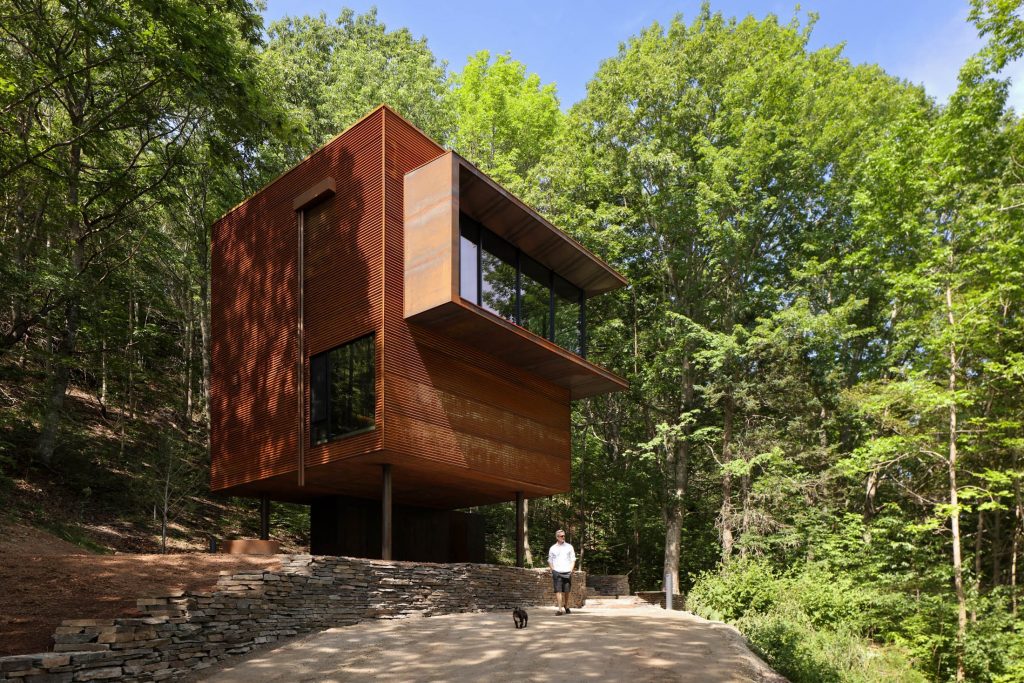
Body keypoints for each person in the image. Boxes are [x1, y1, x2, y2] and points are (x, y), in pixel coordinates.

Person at [548, 529, 576, 615]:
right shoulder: (552, 548)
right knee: (558, 590)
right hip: (557, 572)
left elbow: (573, 559)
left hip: (567, 571)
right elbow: (550, 560)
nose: (563, 537)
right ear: (557, 537)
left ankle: (566, 606)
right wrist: (553, 570)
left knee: (567, 591)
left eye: (564, 536)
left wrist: (571, 570)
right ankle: (560, 609)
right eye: (561, 536)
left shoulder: (569, 547)